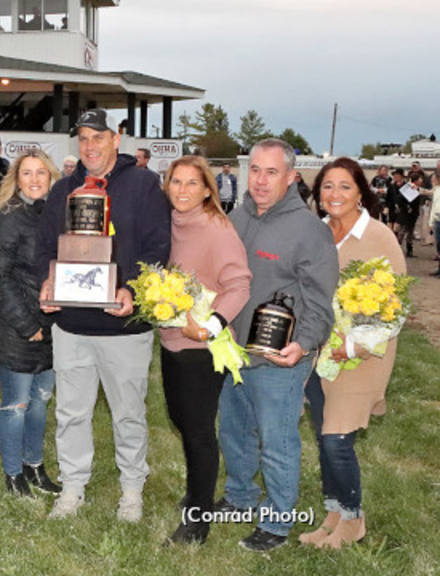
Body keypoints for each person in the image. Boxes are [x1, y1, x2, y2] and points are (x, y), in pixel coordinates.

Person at [37, 109, 171, 522]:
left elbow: (157, 250)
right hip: (72, 324)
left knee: (128, 412)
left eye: (99, 137)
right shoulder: (64, 190)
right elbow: (45, 248)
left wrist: (131, 289)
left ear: (117, 139)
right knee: (71, 412)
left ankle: (132, 488)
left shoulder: (144, 185)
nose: (90, 146)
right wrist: (46, 283)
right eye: (83, 139)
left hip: (123, 325)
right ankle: (73, 486)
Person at [215, 138, 338, 552]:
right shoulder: (235, 217)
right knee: (233, 431)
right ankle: (239, 496)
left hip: (279, 359)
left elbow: (321, 304)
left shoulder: (310, 231)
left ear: (290, 177)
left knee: (277, 440)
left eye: (272, 172)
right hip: (233, 352)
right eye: (256, 170)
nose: (261, 181)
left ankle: (278, 520)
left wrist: (302, 345)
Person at [297, 157, 405, 549]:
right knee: (324, 434)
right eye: (327, 186)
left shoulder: (378, 237)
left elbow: (396, 306)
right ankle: (334, 514)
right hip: (318, 354)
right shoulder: (317, 234)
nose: (335, 194)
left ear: (360, 191)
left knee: (336, 440)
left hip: (361, 356)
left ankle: (354, 521)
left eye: (344, 186)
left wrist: (353, 345)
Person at [158, 156, 251, 545]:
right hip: (169, 342)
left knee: (197, 431)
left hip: (198, 350)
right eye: (175, 182)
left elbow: (240, 285)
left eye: (192, 184)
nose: (182, 190)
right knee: (182, 421)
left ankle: (198, 519)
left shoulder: (217, 228)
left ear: (208, 190)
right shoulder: (170, 223)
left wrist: (209, 328)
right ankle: (197, 492)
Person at [0, 150, 62, 498]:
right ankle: (13, 474)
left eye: (40, 173)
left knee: (41, 400)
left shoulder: (57, 215)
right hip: (17, 329)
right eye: (26, 173)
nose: (34, 180)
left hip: (52, 328)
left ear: (51, 177)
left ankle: (35, 466)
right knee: (16, 404)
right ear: (16, 179)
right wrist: (27, 324)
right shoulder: (10, 217)